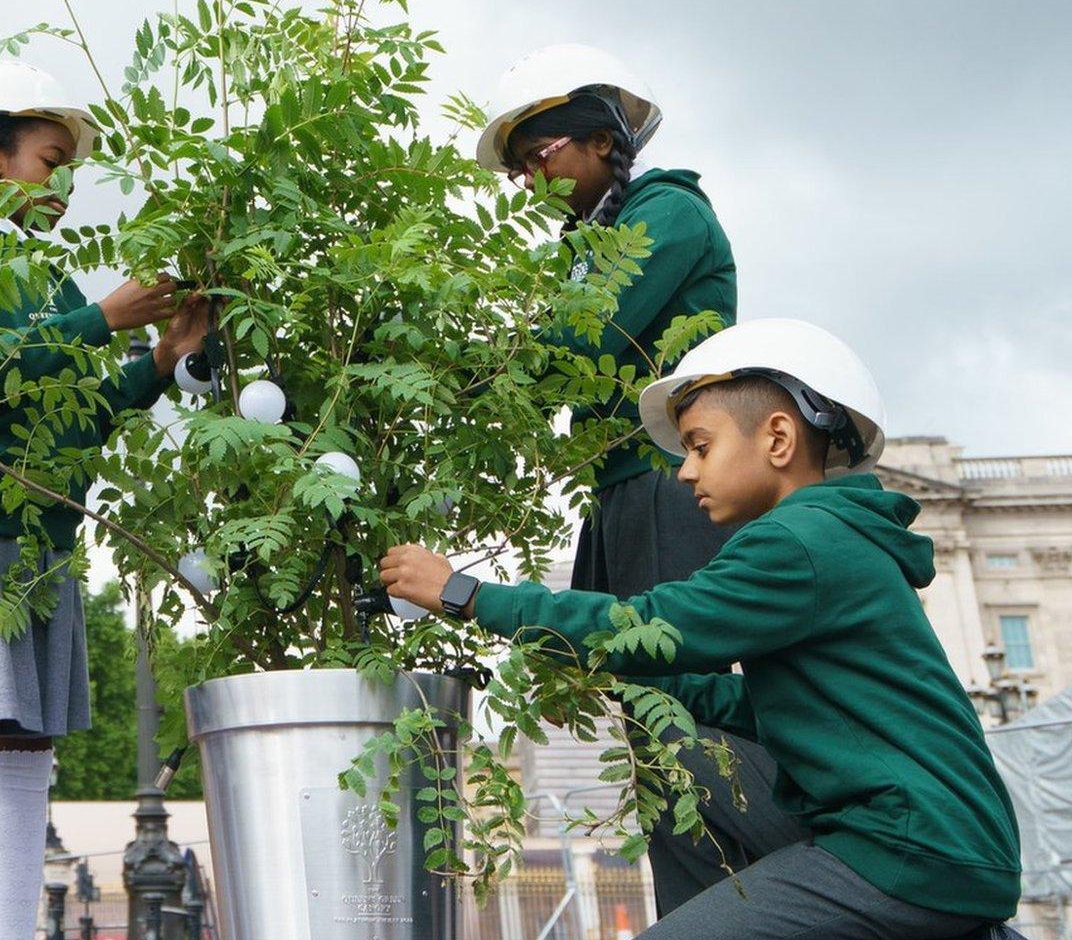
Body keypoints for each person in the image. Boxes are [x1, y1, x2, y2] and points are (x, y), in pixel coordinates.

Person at [379, 318, 1026, 938]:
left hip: (911, 847)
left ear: (777, 439)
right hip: (927, 837)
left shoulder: (798, 542)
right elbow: (765, 705)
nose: (686, 471)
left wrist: (464, 593)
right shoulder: (832, 539)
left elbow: (651, 625)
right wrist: (621, 690)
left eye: (700, 446)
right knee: (683, 756)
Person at [0, 59, 210, 940]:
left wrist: (159, 364)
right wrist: (102, 320)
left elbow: (76, 414)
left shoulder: (47, 279)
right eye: (50, 159)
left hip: (43, 526)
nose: (63, 182)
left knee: (26, 739)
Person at [476, 44, 803, 909]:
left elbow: (579, 345)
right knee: (650, 730)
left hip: (675, 483)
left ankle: (818, 883)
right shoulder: (591, 242)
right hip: (624, 490)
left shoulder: (668, 213)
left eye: (537, 157)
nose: (529, 185)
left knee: (686, 719)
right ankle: (702, 915)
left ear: (601, 136)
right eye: (517, 172)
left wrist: (468, 361)